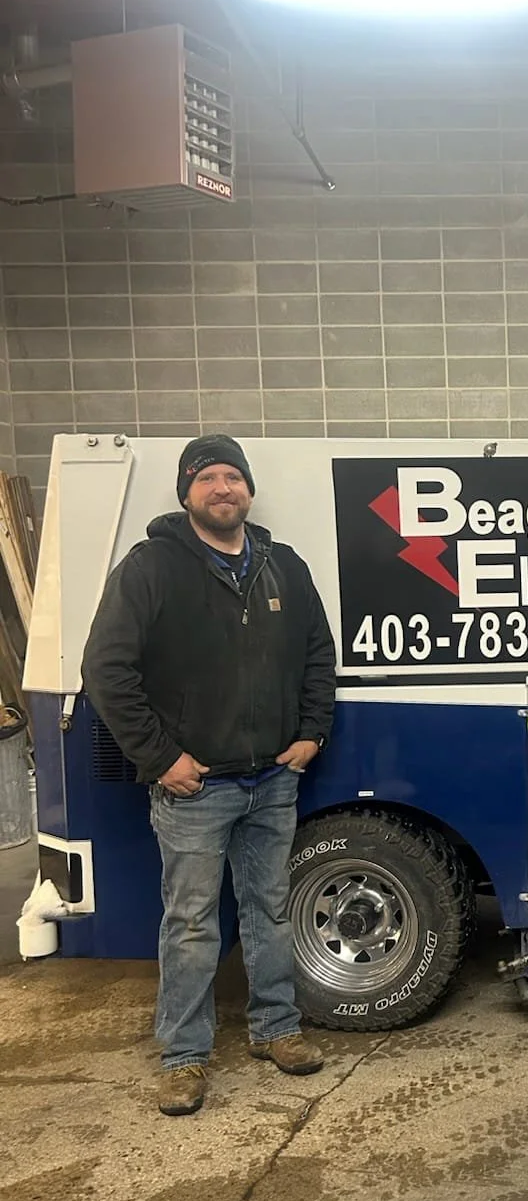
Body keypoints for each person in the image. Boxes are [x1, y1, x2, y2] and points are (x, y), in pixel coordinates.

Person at [82, 435, 336, 1117]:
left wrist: (312, 731)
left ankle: (277, 1031)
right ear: (187, 492)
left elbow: (318, 652)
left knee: (271, 912)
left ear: (248, 489)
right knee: (191, 923)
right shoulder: (151, 568)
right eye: (209, 479)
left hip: (272, 780)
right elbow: (106, 670)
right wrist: (161, 757)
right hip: (194, 790)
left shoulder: (284, 566)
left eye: (234, 477)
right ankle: (184, 1056)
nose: (224, 488)